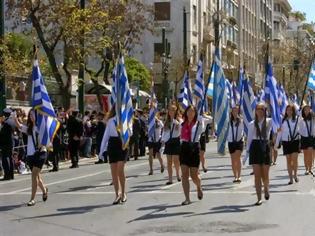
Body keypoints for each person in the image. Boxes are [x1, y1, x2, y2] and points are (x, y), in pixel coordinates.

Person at [15, 110, 48, 206]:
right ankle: (45, 190)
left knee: (34, 175)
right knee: (37, 176)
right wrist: (15, 118)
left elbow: (47, 137)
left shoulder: (41, 127)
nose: (31, 116)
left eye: (33, 114)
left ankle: (32, 199)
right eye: (30, 115)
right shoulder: (29, 128)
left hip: (41, 153)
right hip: (30, 155)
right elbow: (20, 126)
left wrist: (43, 144)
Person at [99, 107, 129, 204]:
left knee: (120, 171)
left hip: (122, 143)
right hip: (112, 144)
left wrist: (124, 129)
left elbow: (130, 132)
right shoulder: (110, 121)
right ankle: (117, 194)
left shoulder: (125, 120)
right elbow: (106, 136)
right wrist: (101, 150)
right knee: (114, 172)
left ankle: (123, 193)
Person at [246, 103, 272, 206]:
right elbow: (249, 139)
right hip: (255, 147)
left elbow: (278, 119)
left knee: (265, 174)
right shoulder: (252, 124)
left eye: (262, 109)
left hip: (265, 145)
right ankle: (259, 198)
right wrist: (247, 153)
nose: (260, 111)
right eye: (258, 109)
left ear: (265, 111)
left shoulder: (269, 122)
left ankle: (266, 187)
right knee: (257, 175)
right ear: (255, 111)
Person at [180, 105, 204, 205]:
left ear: (195, 113)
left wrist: (201, 118)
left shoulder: (199, 123)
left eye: (192, 111)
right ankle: (187, 198)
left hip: (194, 147)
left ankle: (199, 187)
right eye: (189, 111)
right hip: (184, 147)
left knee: (194, 176)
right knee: (184, 174)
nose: (190, 113)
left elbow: (210, 120)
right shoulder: (182, 123)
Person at [276, 104, 300, 185]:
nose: (289, 111)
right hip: (286, 142)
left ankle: (295, 175)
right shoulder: (283, 120)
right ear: (286, 111)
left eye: (291, 110)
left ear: (293, 111)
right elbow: (280, 132)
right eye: (288, 110)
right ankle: (290, 178)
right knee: (289, 160)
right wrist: (277, 143)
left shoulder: (297, 119)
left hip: (295, 141)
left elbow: (302, 127)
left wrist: (300, 116)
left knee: (294, 159)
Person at [162, 105, 181, 185]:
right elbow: (164, 132)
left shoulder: (179, 120)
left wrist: (176, 122)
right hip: (168, 141)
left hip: (176, 140)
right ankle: (170, 179)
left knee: (176, 160)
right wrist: (163, 140)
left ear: (175, 111)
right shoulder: (166, 121)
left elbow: (181, 130)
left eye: (172, 110)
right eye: (169, 110)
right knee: (169, 161)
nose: (171, 112)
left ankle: (177, 174)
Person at [227, 105, 244, 183]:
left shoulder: (241, 120)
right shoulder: (229, 121)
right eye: (234, 111)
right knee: (233, 160)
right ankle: (235, 176)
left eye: (236, 111)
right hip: (231, 142)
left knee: (238, 158)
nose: (235, 112)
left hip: (239, 141)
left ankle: (239, 176)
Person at [299, 104, 314, 175]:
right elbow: (300, 130)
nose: (307, 111)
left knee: (310, 154)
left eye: (308, 109)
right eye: (305, 109)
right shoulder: (301, 120)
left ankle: (310, 169)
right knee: (305, 154)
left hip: (311, 138)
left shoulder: (313, 119)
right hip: (304, 138)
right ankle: (306, 169)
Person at [0, 108, 15, 180]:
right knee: (10, 158)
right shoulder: (12, 121)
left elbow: (2, 134)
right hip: (11, 142)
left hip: (5, 143)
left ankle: (7, 175)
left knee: (5, 159)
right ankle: (11, 175)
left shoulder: (5, 123)